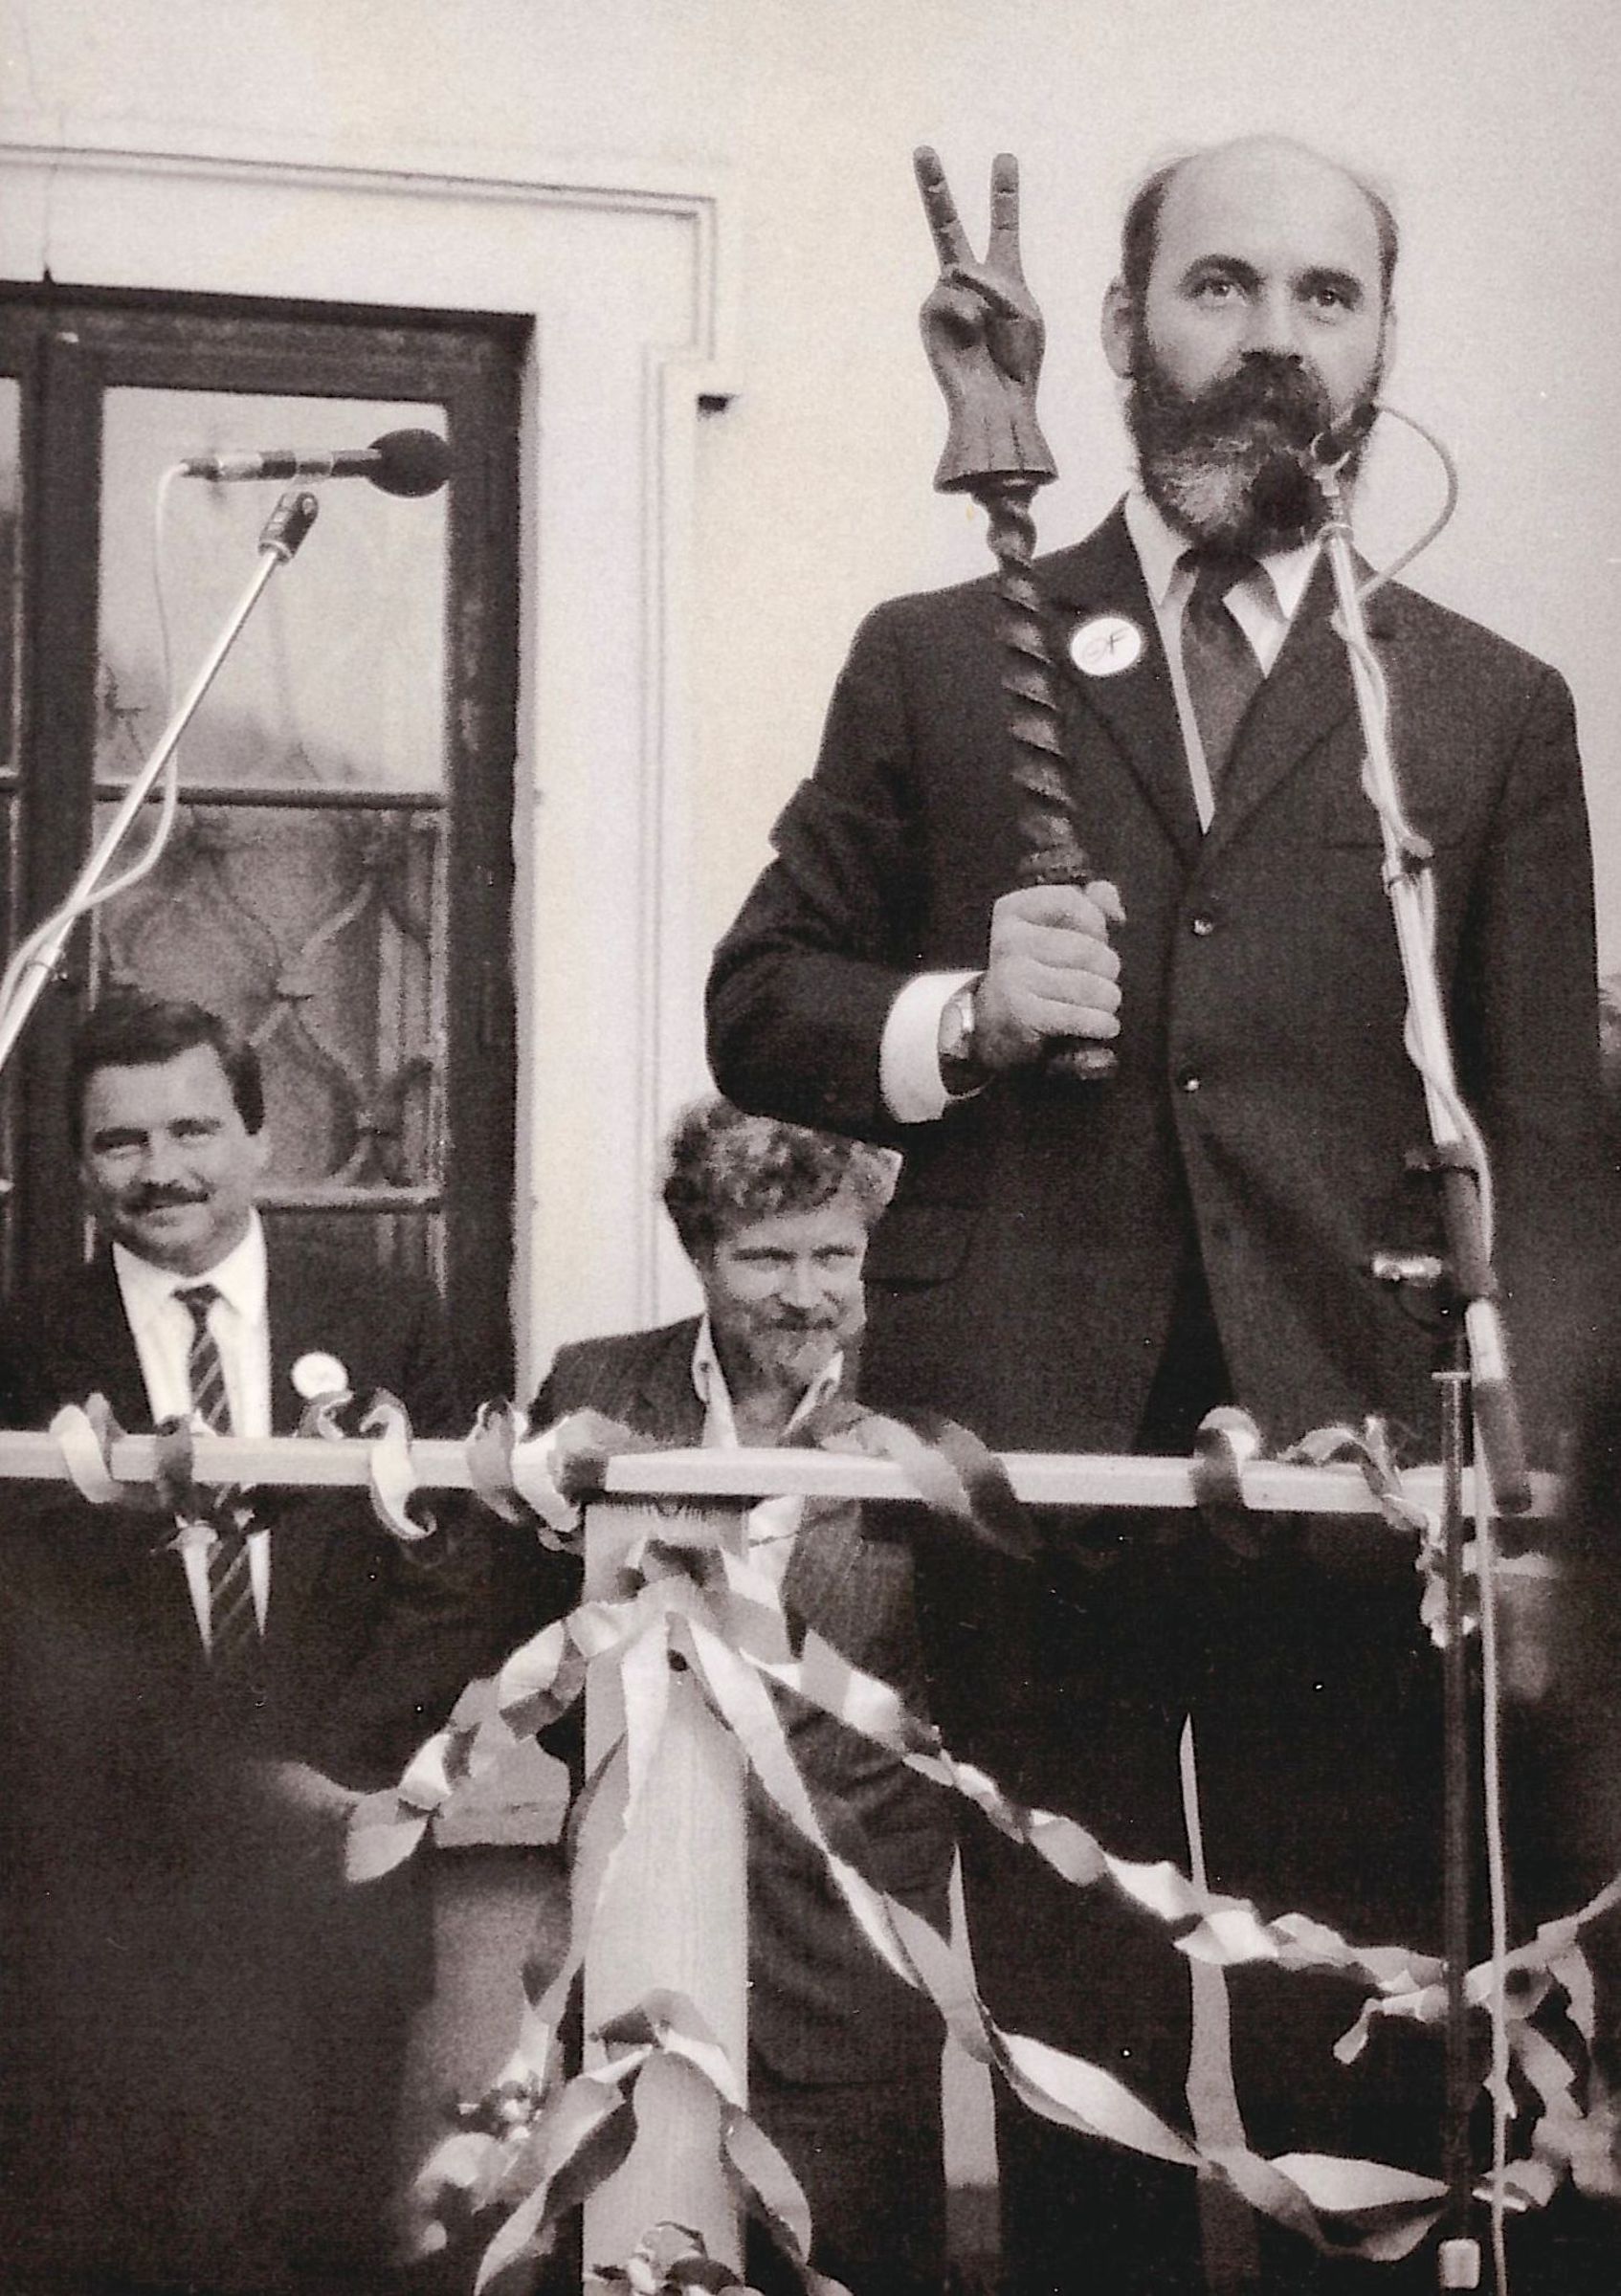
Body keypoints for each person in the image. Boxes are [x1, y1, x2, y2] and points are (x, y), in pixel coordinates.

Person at [707, 134, 1608, 2292]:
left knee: (1361, 2057)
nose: (1272, 341)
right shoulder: (945, 656)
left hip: (1361, 1496)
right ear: (1119, 329)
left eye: (1324, 296)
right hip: (1032, 1472)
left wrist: (1554, 1508)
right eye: (1220, 287)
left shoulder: (1482, 706)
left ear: (1377, 345)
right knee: (1070, 2065)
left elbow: (1550, 1144)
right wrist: (958, 1013)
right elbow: (761, 998)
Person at [0, 992, 521, 2295]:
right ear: (79, 1164)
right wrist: (207, 1782)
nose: (161, 1169)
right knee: (119, 2251)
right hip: (110, 1895)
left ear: (260, 1136)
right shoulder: (22, 1349)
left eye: (193, 1130)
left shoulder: (391, 1317)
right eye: (120, 1141)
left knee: (323, 2242)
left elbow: (456, 1576)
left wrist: (320, 1770)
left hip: (336, 1860)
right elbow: (26, 1623)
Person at [525, 1095, 952, 2296]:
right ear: (700, 1254)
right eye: (764, 1258)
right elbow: (529, 1638)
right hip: (635, 1947)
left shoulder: (928, 1400)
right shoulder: (596, 1384)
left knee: (851, 2268)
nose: (804, 1294)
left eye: (835, 1255)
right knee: (627, 2259)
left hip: (843, 1959)